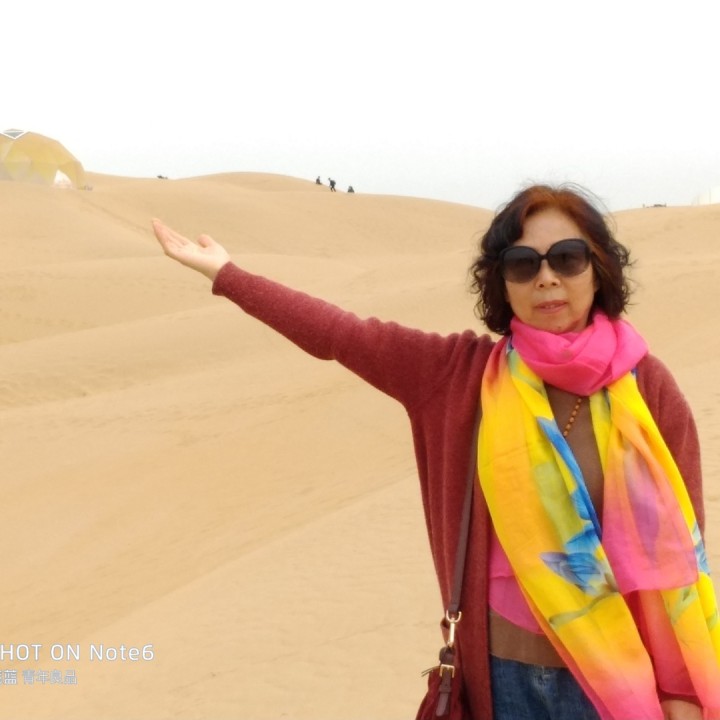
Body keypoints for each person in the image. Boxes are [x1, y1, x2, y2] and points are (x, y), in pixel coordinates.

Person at [151, 184, 720, 720]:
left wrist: (681, 690)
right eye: (523, 264)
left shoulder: (648, 387)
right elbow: (341, 335)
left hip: (620, 683)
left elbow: (681, 556)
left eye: (567, 258)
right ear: (502, 283)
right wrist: (228, 276)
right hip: (503, 679)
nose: (547, 277)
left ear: (598, 271)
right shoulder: (457, 377)